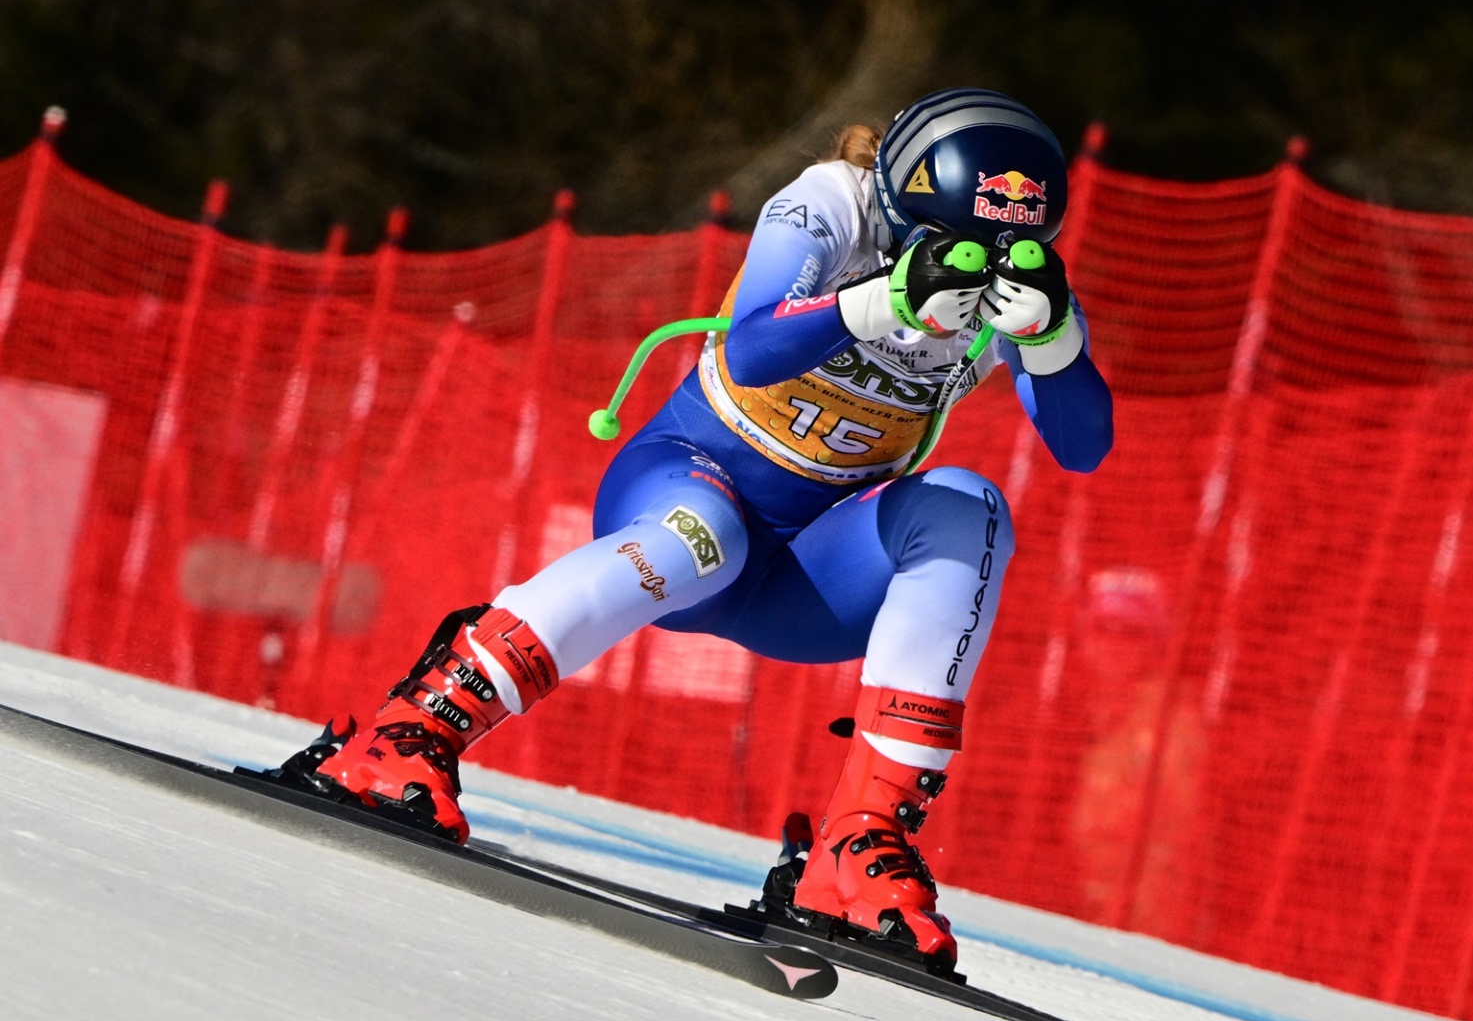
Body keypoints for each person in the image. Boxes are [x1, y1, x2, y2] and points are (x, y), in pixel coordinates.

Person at [272, 88, 1113, 964]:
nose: (970, 270)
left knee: (969, 508)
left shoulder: (1011, 279)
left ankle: (860, 845)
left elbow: (1084, 446)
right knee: (699, 544)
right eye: (945, 246)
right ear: (897, 202)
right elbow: (750, 348)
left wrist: (1051, 339)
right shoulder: (833, 201)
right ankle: (417, 725)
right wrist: (885, 302)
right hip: (691, 483)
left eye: (996, 253)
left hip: (809, 575)